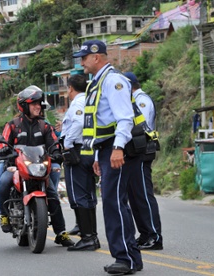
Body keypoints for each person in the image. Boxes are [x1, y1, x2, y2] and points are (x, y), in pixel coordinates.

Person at [73, 40, 143, 274]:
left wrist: (117, 148)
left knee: (114, 203)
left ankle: (124, 258)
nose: (81, 61)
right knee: (115, 203)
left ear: (97, 57)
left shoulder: (113, 81)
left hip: (114, 149)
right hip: (104, 150)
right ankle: (130, 257)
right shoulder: (97, 82)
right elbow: (96, 124)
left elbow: (124, 119)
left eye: (84, 57)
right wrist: (96, 155)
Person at [0, 85, 74, 247]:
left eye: (39, 103)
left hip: (38, 167)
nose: (38, 106)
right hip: (15, 167)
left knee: (52, 193)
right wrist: (3, 149)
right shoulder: (12, 125)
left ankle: (61, 232)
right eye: (34, 104)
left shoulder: (44, 126)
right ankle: (4, 215)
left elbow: (53, 142)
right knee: (4, 182)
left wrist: (57, 152)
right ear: (24, 106)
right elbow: (2, 142)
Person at [60, 74, 100, 251]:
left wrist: (67, 144)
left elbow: (77, 123)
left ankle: (87, 237)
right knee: (89, 195)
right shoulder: (90, 100)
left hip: (77, 151)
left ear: (70, 88)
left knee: (78, 195)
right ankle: (93, 235)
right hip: (90, 150)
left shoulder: (77, 103)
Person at [123, 72, 163, 250]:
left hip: (142, 150)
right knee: (135, 195)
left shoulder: (141, 100)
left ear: (130, 85)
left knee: (143, 195)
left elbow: (140, 126)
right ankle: (145, 234)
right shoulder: (133, 100)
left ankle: (154, 235)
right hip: (133, 152)